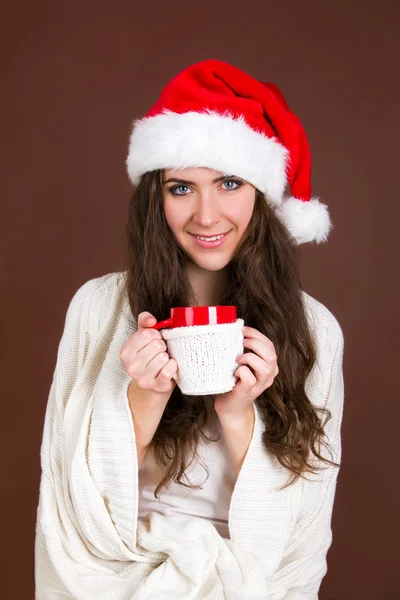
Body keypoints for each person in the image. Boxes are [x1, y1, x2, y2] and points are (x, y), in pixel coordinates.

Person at [34, 59, 345, 599]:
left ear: (263, 197)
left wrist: (238, 414)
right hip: (120, 573)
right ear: (156, 198)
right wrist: (142, 396)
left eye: (229, 183)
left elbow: (299, 525)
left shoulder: (314, 330)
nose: (206, 215)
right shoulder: (99, 307)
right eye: (182, 188)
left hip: (246, 580)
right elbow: (71, 503)